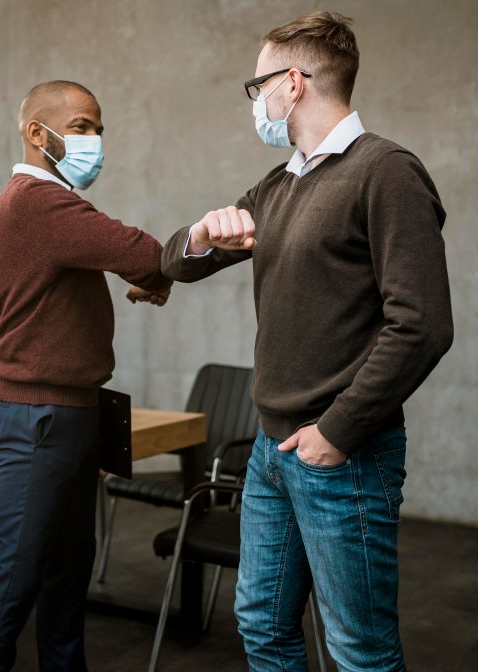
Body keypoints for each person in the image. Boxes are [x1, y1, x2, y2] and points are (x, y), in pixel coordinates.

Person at [155, 12, 453, 671]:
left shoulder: (387, 172)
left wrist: (338, 430)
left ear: (292, 83)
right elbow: (177, 263)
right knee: (261, 626)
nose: (255, 102)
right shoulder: (280, 183)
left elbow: (423, 325)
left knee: (359, 651)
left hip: (341, 455)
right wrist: (205, 233)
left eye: (256, 85)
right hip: (270, 450)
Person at [0, 80, 171, 671]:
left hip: (69, 411)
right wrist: (159, 273)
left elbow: (137, 260)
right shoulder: (38, 200)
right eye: (81, 127)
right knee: (14, 582)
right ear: (38, 133)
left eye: (99, 129)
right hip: (39, 416)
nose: (95, 141)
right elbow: (142, 251)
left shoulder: (49, 205)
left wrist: (155, 273)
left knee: (64, 579)